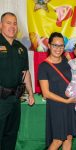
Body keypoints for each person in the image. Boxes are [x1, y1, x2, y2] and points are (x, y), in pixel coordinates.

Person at [38, 32, 76, 150]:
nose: (58, 48)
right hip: (57, 106)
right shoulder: (43, 66)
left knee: (68, 137)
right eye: (55, 45)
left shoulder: (68, 62)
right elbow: (46, 93)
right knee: (58, 140)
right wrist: (66, 101)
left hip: (71, 104)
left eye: (61, 46)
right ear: (49, 46)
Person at [0, 12, 34, 150]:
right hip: (0, 99)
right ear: (1, 25)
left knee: (11, 135)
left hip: (15, 99)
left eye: (15, 23)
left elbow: (25, 72)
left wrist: (31, 93)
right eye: (8, 23)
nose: (12, 26)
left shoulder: (21, 48)